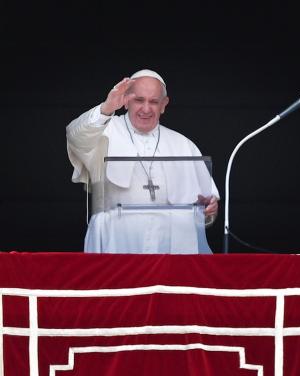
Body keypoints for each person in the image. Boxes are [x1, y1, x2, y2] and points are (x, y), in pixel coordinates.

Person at [66, 69, 219, 254]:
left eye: (154, 102)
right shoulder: (103, 132)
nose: (146, 109)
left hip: (171, 246)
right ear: (126, 100)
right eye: (139, 100)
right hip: (116, 241)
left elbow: (207, 212)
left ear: (164, 104)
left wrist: (208, 209)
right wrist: (107, 108)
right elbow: (75, 136)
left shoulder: (184, 144)